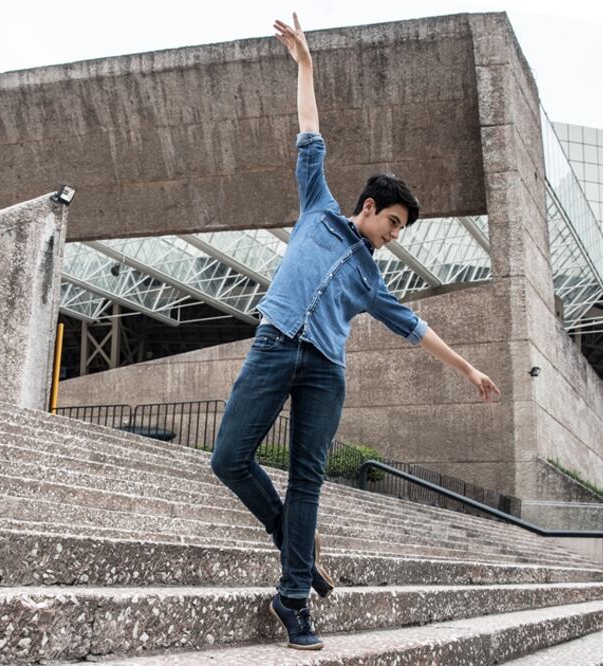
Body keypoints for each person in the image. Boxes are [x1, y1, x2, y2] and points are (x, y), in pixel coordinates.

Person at [209, 13, 502, 651]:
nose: (394, 235)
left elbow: (415, 327)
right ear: (368, 207)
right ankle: (294, 540)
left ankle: (294, 602)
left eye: (401, 229)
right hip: (274, 344)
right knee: (228, 456)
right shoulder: (317, 207)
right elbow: (309, 134)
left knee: (307, 480)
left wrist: (468, 369)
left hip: (325, 371)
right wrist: (306, 65)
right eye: (393, 223)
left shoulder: (372, 280)